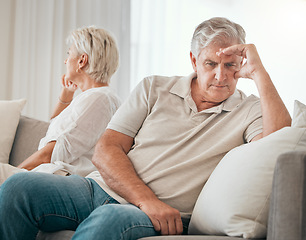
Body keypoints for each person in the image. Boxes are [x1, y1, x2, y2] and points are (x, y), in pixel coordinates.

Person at [0, 17, 291, 239]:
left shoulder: (250, 109)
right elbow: (106, 150)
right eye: (211, 63)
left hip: (158, 215)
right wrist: (146, 200)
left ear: (242, 63)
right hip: (99, 188)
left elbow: (279, 145)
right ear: (193, 60)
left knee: (106, 222)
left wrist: (259, 72)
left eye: (231, 65)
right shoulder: (154, 87)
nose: (221, 75)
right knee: (17, 187)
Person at [0, 26, 122, 184]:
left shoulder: (100, 99)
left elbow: (50, 154)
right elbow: (54, 129)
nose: (65, 60)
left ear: (82, 60)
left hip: (58, 179)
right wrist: (67, 93)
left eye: (68, 53)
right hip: (52, 175)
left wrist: (13, 176)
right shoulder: (94, 98)